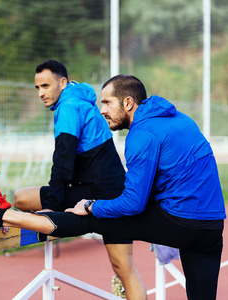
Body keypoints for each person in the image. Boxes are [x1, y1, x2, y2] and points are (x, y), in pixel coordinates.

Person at [0, 74, 226, 300]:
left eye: (107, 102)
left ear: (128, 103)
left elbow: (133, 203)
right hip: (212, 228)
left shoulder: (141, 135)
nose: (102, 109)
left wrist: (91, 206)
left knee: (86, 219)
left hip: (181, 222)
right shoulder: (179, 118)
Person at [12, 59, 146, 299]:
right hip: (114, 192)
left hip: (99, 196)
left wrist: (52, 206)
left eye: (46, 85)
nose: (41, 93)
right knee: (124, 269)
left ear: (62, 83)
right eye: (37, 87)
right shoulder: (81, 99)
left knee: (20, 198)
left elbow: (63, 161)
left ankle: (4, 218)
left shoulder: (69, 107)